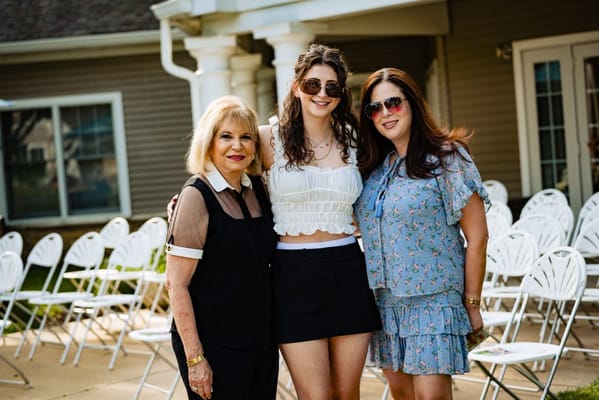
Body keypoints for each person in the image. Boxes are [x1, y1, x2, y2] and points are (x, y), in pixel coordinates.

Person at [354, 67, 490, 400]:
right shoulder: (373, 169)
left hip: (435, 303)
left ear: (412, 103)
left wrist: (472, 304)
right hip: (386, 305)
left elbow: (478, 237)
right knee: (403, 396)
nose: (385, 113)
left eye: (393, 103)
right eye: (375, 108)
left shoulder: (448, 157)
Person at [258, 43, 382, 400]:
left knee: (348, 394)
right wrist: (186, 202)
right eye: (313, 84)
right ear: (296, 86)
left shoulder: (357, 140)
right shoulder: (269, 140)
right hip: (292, 277)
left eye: (331, 87)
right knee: (315, 396)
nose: (322, 94)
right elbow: (225, 172)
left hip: (347, 270)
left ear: (341, 94)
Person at [165, 95, 279, 400]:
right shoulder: (196, 196)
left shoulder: (258, 188)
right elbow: (176, 285)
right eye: (226, 136)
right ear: (209, 141)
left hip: (260, 338)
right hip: (214, 344)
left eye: (246, 137)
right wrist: (195, 358)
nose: (237, 146)